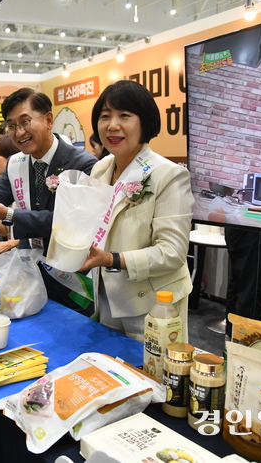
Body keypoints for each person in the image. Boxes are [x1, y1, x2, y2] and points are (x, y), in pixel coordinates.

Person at [0, 88, 98, 314]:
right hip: (33, 275)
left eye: (25, 122)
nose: (19, 132)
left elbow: (71, 221)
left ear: (49, 120)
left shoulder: (83, 164)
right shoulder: (16, 162)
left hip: (76, 277)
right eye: (11, 126)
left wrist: (10, 215)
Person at [78, 80, 194, 342]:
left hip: (153, 304)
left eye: (125, 116)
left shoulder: (170, 175)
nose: (112, 125)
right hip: (106, 293)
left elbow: (172, 253)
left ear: (145, 123)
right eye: (105, 116)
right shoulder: (101, 168)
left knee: (151, 376)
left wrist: (112, 259)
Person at [0, 136, 22, 255]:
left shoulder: (26, 187)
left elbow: (42, 226)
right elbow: (5, 230)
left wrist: (12, 243)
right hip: (19, 261)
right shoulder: (8, 187)